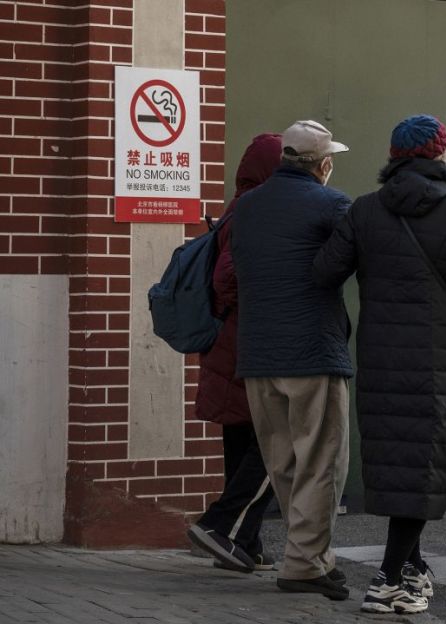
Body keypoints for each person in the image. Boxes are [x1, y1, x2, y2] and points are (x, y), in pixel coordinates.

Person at [314, 115, 446, 615]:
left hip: (381, 357)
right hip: (438, 362)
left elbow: (323, 272)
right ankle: (389, 579)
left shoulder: (364, 212)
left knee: (399, 464)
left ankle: (411, 566)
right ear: (439, 156)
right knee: (423, 465)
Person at [232, 120, 353, 600]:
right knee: (321, 461)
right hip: (312, 351)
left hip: (258, 355)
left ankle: (313, 556)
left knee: (282, 461)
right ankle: (305, 564)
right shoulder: (333, 203)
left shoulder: (247, 206)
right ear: (323, 165)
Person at [187, 133, 281, 574]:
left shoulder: (236, 208)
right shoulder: (253, 211)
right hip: (247, 345)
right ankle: (221, 527)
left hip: (230, 348)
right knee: (275, 445)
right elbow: (227, 280)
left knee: (243, 445)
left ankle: (246, 544)